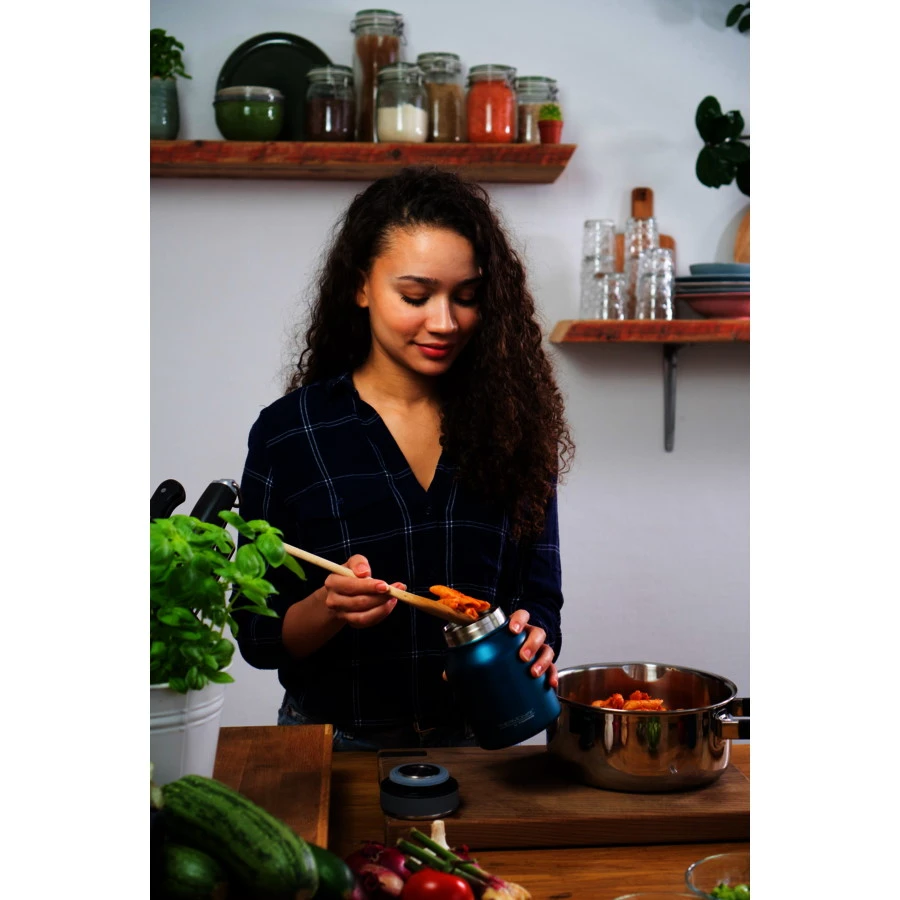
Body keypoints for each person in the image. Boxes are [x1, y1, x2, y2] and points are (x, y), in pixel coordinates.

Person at [233, 166, 574, 750]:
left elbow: (538, 598)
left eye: (467, 297)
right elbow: (257, 634)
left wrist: (533, 634)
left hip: (480, 748)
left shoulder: (514, 423)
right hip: (333, 746)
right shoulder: (291, 432)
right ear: (361, 286)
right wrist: (327, 607)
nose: (445, 322)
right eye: (415, 297)